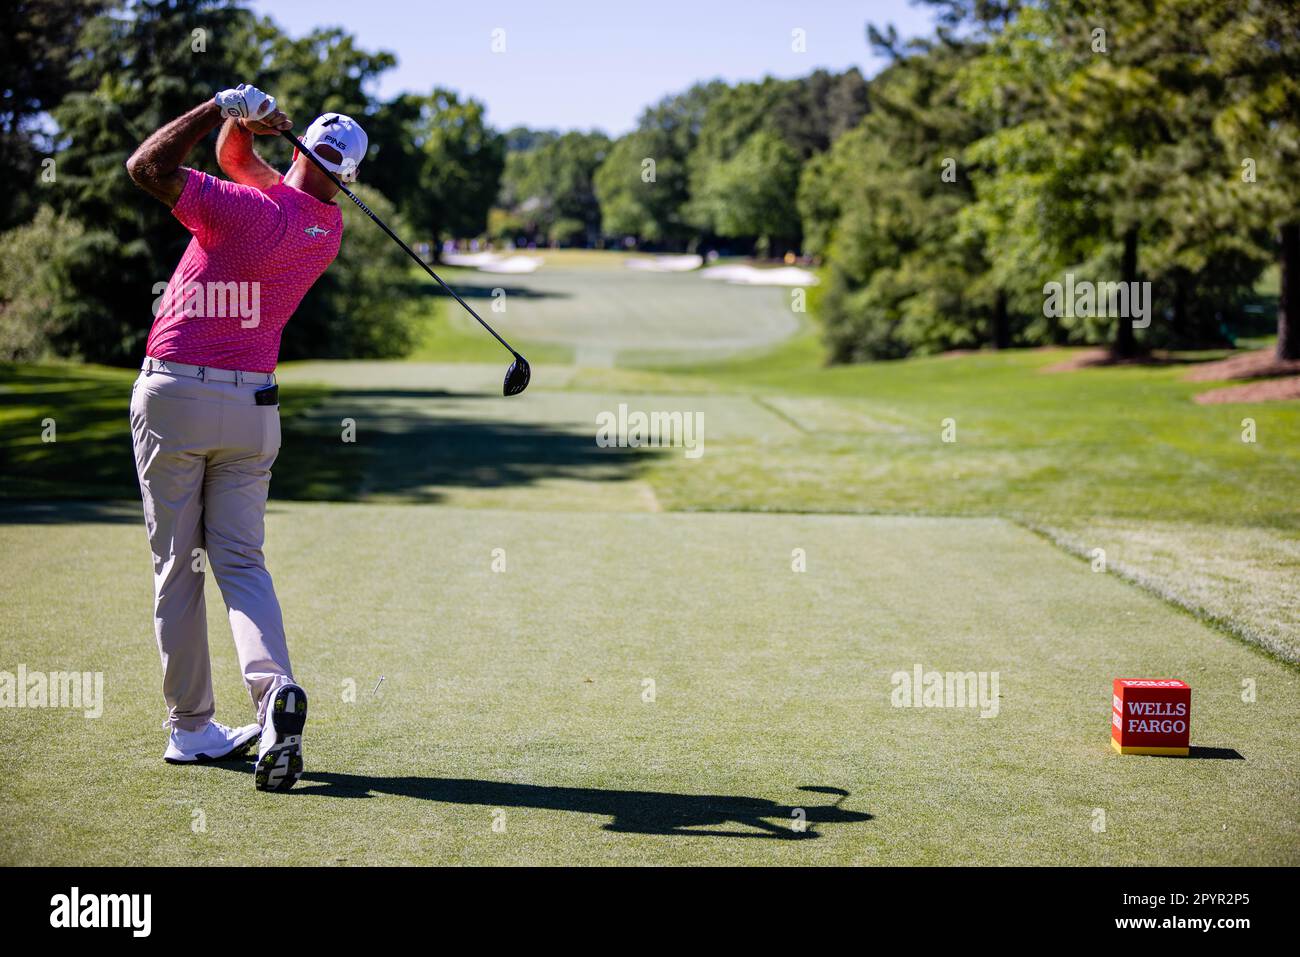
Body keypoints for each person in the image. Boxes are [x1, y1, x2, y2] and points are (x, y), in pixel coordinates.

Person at [124, 84, 368, 791]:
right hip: (253, 413)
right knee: (241, 562)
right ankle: (272, 701)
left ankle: (193, 727)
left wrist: (216, 105)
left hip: (177, 396)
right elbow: (245, 162)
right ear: (346, 178)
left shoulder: (241, 211)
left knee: (177, 565)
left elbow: (146, 167)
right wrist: (242, 126)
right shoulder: (325, 228)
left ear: (298, 149)